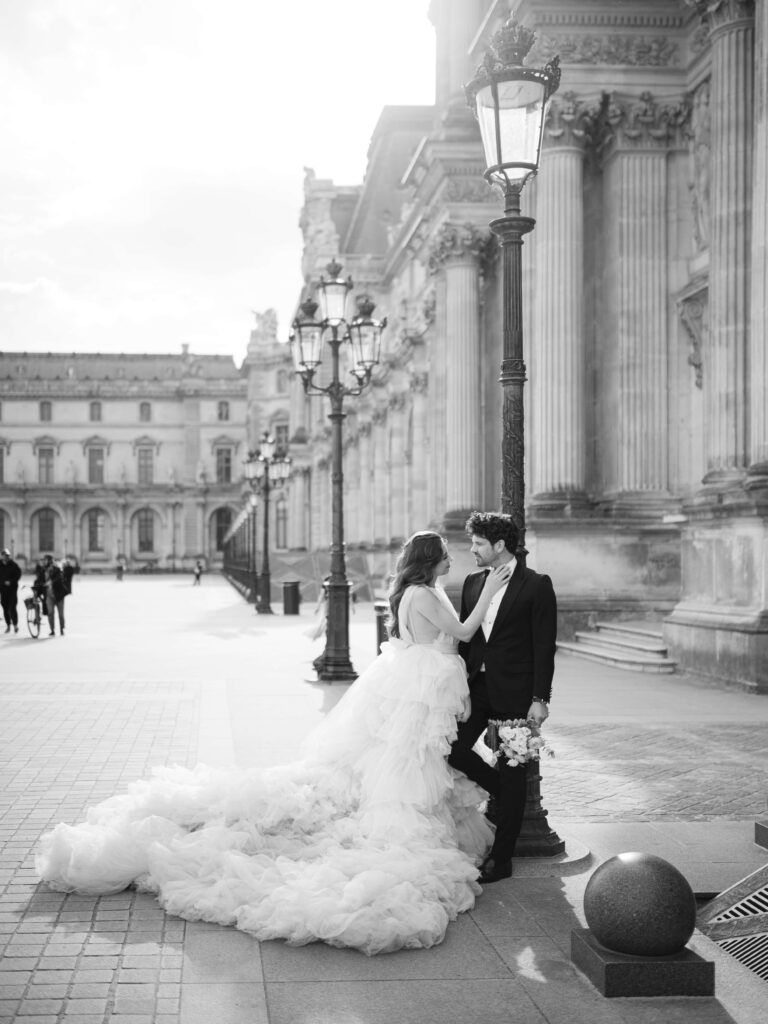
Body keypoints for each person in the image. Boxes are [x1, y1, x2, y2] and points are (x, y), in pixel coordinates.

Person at [35, 531, 512, 955]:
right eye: (445, 553)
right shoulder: (424, 594)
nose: (452, 558)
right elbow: (464, 632)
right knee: (411, 762)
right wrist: (492, 585)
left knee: (409, 759)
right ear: (430, 559)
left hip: (417, 681)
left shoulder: (418, 591)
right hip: (423, 686)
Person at [448, 511, 557, 884]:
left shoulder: (537, 585)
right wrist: (459, 689)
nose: (473, 549)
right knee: (454, 748)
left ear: (499, 546)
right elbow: (468, 642)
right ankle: (500, 792)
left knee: (514, 773)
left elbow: (544, 648)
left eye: (478, 543)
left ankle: (502, 858)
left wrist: (540, 699)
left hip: (517, 695)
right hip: (477, 690)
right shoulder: (473, 582)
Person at [41, 554, 69, 637]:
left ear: (49, 561)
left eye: (45, 560)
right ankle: (52, 630)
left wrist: (51, 582)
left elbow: (59, 578)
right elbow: (39, 579)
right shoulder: (43, 570)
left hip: (59, 594)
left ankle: (62, 628)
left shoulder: (57, 569)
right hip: (49, 595)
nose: (44, 561)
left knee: (60, 614)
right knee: (50, 613)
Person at [0, 548, 21, 633]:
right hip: (3, 589)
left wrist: (11, 581)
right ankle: (8, 625)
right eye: (5, 556)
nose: (6, 557)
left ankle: (15, 625)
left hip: (12, 589)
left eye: (8, 556)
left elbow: (18, 574)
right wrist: (3, 582)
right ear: (2, 556)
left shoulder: (13, 565)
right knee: (5, 608)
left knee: (12, 607)